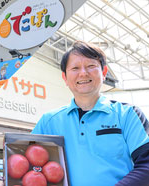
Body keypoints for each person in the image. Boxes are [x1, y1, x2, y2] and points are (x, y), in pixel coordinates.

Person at [32, 41, 149, 186]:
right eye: (75, 68)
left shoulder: (128, 115)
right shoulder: (49, 121)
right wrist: (1, 179)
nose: (83, 73)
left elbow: (146, 165)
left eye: (91, 66)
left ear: (104, 72)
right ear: (65, 78)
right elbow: (25, 162)